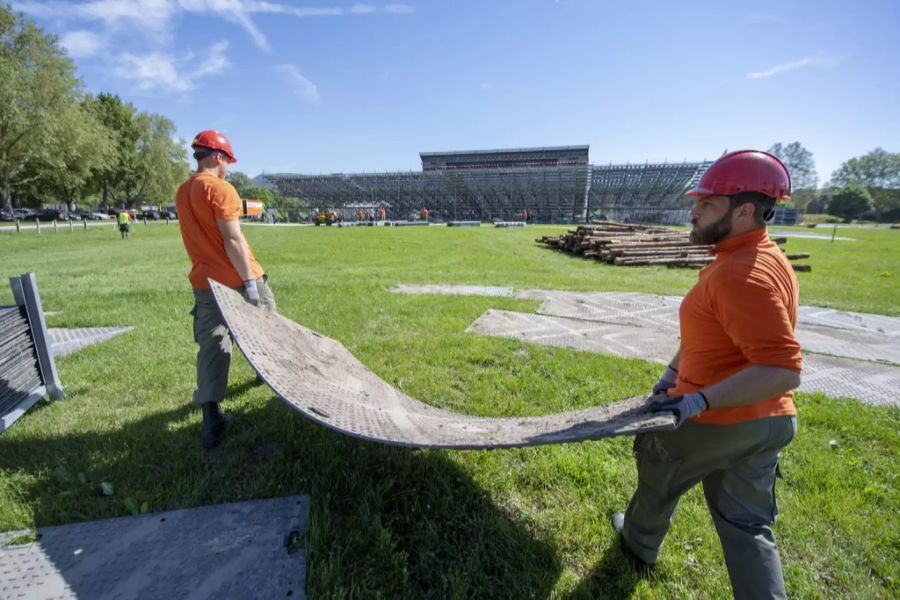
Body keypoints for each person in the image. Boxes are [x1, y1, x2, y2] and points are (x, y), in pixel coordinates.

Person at [611, 150, 803, 599]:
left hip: (715, 422)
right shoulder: (764, 255)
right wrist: (671, 373)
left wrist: (696, 400)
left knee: (658, 475)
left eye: (708, 203)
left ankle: (638, 544)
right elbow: (712, 331)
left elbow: (782, 369)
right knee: (747, 526)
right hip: (768, 422)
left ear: (745, 210)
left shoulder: (740, 274)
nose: (693, 211)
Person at [175, 130, 277, 449]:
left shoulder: (183, 191)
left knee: (213, 345)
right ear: (218, 157)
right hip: (236, 278)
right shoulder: (221, 189)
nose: (229, 168)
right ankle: (273, 378)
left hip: (204, 283)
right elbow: (233, 239)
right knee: (268, 329)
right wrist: (250, 284)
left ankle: (211, 419)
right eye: (228, 162)